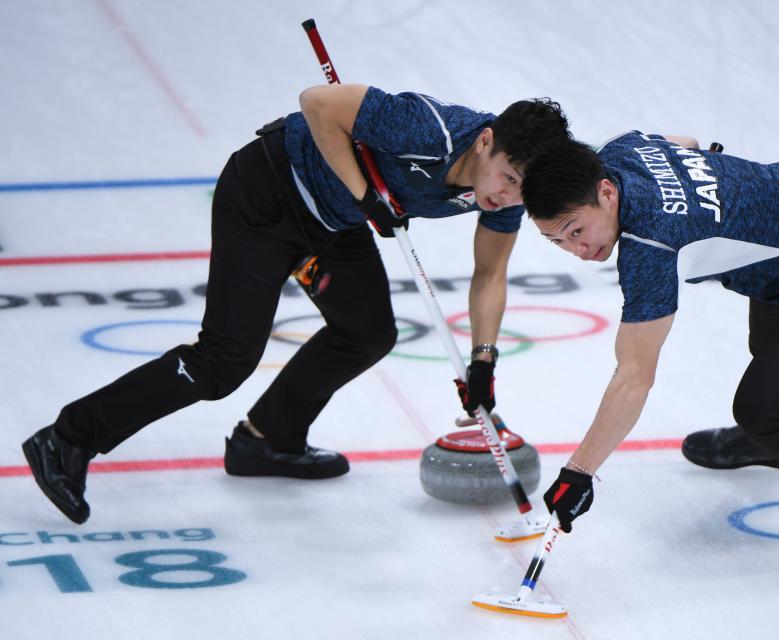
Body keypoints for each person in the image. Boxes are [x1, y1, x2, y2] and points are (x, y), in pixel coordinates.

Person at [21, 84, 571, 524]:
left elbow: (490, 272)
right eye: (507, 178)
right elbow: (316, 104)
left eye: (522, 190)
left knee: (368, 330)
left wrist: (483, 359)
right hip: (268, 194)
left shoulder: (507, 196)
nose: (508, 196)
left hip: (334, 223)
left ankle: (267, 440)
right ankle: (67, 438)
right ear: (485, 143)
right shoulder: (428, 127)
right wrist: (363, 193)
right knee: (223, 361)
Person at [520, 134, 779, 555]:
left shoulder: (650, 243)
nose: (577, 251)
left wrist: (578, 473)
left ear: (606, 192)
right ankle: (773, 443)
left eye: (577, 230)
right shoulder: (619, 152)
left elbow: (634, 374)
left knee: (765, 409)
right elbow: (685, 142)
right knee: (770, 359)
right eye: (558, 241)